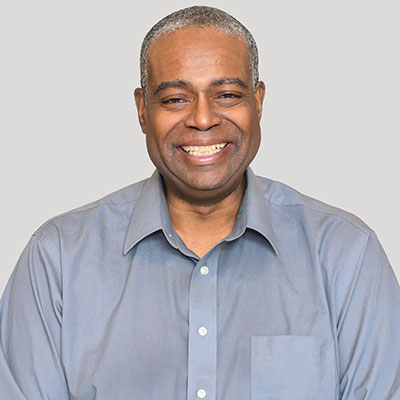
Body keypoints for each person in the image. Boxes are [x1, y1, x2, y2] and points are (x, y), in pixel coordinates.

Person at [0, 5, 399, 399]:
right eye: (176, 99)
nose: (203, 119)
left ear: (258, 101)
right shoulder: (57, 259)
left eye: (227, 94)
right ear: (142, 110)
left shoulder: (346, 256)